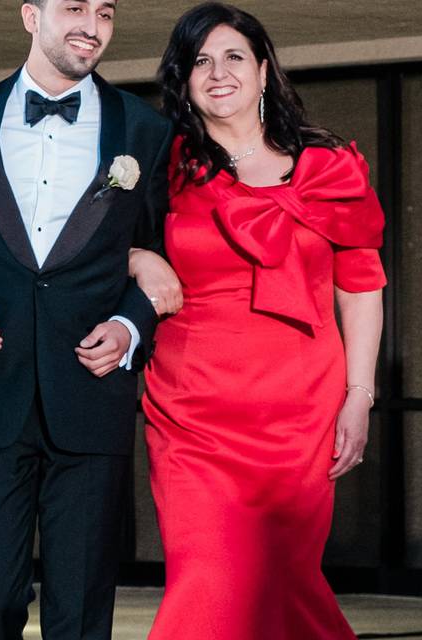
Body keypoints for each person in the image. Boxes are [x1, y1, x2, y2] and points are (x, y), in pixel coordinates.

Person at [0, 1, 172, 638]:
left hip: (91, 391)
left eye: (106, 12)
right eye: (73, 8)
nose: (91, 24)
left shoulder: (144, 129)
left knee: (82, 609)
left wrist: (130, 328)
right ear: (30, 16)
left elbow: (161, 253)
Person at [137, 3, 386, 638]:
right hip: (194, 412)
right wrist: (138, 256)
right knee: (208, 577)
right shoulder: (162, 169)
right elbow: (96, 241)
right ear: (183, 79)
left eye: (233, 57)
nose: (218, 73)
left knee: (283, 580)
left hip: (300, 411)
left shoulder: (329, 168)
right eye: (200, 61)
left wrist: (360, 396)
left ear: (264, 70)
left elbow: (360, 289)